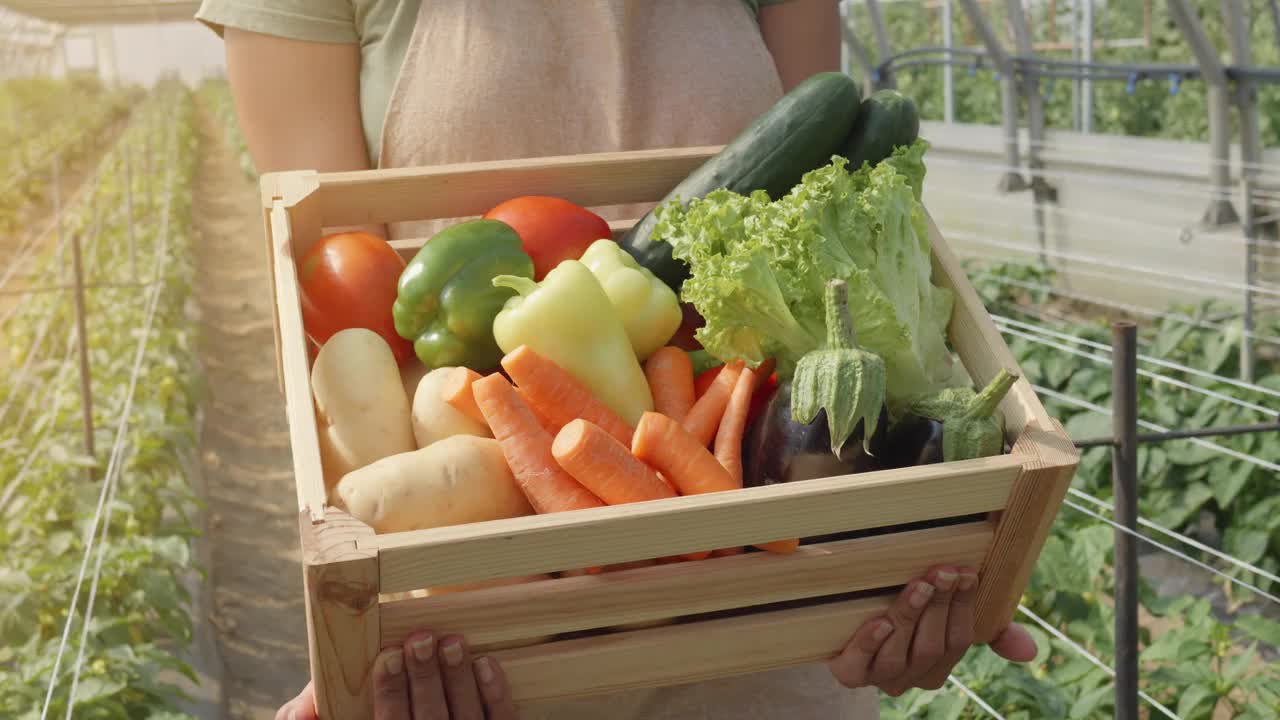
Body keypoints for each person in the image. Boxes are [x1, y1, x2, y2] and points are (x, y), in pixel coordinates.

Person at [196, 2, 1038, 718]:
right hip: (485, 627)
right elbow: (334, 323)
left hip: (765, 609)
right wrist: (361, 636)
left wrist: (897, 567)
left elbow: (816, 227)